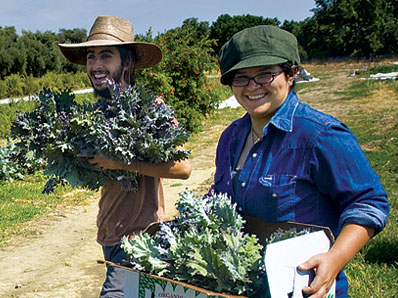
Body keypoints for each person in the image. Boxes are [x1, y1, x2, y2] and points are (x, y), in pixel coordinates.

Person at [210, 25, 390, 298]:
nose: (252, 87)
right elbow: (220, 202)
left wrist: (335, 260)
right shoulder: (231, 137)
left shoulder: (319, 135)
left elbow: (368, 204)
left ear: (291, 74)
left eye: (264, 75)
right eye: (241, 78)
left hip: (303, 288)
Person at [58, 16, 192, 297]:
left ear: (127, 63)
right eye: (91, 57)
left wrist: (120, 162)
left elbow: (183, 167)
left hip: (140, 235)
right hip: (109, 232)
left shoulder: (150, 108)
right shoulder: (94, 113)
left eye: (106, 56)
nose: (95, 65)